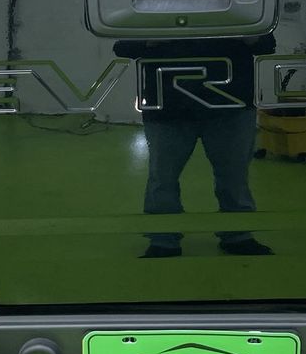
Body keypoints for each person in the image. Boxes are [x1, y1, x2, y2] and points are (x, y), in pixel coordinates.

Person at [113, 34, 276, 258]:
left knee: (233, 175)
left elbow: (266, 44)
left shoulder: (239, 11)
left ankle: (234, 235)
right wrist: (151, 39)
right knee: (164, 176)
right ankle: (166, 238)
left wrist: (248, 36)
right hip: (176, 106)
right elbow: (123, 47)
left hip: (225, 104)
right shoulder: (150, 12)